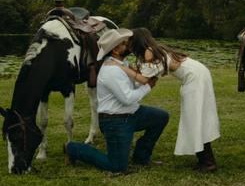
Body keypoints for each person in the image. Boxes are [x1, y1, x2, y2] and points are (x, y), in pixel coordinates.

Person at [110, 28, 220, 172]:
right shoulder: (153, 49)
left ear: (137, 41)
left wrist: (120, 66)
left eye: (129, 41)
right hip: (199, 72)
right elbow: (144, 74)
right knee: (196, 117)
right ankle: (205, 159)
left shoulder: (149, 52)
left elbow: (143, 79)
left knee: (194, 117)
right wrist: (129, 67)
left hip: (194, 77)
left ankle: (208, 162)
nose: (128, 45)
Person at [64, 28, 169, 174]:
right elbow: (127, 98)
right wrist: (148, 86)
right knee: (117, 166)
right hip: (115, 121)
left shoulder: (122, 63)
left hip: (131, 113)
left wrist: (148, 75)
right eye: (125, 44)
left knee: (161, 117)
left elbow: (133, 86)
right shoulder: (111, 70)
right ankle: (73, 148)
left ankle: (141, 157)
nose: (129, 45)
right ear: (115, 50)